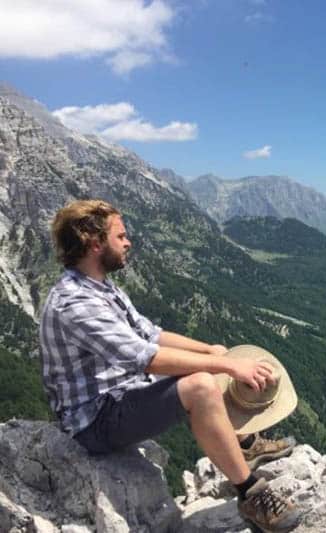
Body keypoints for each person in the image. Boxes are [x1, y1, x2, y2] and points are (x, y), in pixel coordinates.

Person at [38, 199, 302, 531]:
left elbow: (151, 334)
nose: (128, 242)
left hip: (120, 395)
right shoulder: (75, 303)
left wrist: (214, 352)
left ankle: (243, 443)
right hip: (94, 422)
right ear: (94, 243)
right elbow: (144, 357)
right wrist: (226, 368)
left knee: (211, 361)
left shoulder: (100, 288)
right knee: (202, 385)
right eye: (120, 236)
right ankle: (251, 494)